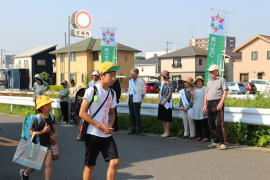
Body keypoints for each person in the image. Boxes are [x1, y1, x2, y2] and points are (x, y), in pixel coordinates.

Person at [79, 62, 120, 180]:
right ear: (101, 75)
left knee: (115, 161)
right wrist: (99, 126)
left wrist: (109, 126)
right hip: (92, 133)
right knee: (90, 166)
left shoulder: (112, 93)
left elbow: (112, 113)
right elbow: (82, 113)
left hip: (106, 134)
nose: (113, 78)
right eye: (110, 75)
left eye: (114, 75)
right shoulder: (92, 90)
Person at [20, 96, 57, 180]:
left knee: (48, 164)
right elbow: (31, 133)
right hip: (37, 144)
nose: (51, 106)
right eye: (48, 104)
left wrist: (54, 135)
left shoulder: (51, 117)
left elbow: (54, 129)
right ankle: (25, 173)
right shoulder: (36, 118)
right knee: (36, 164)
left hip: (47, 144)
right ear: (43, 107)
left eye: (50, 104)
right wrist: (43, 132)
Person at [203, 64, 229, 150]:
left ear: (217, 71)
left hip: (218, 102)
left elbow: (225, 91)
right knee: (211, 124)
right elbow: (206, 93)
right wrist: (205, 105)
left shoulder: (222, 80)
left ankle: (223, 142)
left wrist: (221, 103)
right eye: (210, 71)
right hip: (209, 103)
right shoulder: (209, 81)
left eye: (212, 71)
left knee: (219, 124)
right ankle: (216, 141)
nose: (210, 73)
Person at [127, 68, 146, 135]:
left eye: (133, 74)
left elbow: (143, 92)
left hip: (137, 99)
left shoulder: (141, 81)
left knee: (137, 115)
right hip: (130, 98)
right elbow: (129, 90)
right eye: (131, 74)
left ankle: (138, 129)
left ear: (137, 74)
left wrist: (141, 100)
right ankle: (133, 128)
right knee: (131, 114)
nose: (132, 75)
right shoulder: (130, 81)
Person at [157, 70, 174, 137]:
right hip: (161, 102)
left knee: (167, 118)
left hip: (167, 103)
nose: (162, 77)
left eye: (163, 76)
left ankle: (167, 132)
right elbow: (159, 92)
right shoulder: (162, 83)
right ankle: (165, 131)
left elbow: (170, 93)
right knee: (162, 118)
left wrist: (165, 101)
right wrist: (158, 100)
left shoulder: (171, 83)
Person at [192, 76, 209, 142]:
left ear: (202, 82)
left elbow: (207, 99)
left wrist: (206, 107)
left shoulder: (205, 89)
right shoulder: (194, 90)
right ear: (196, 83)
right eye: (197, 81)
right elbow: (192, 100)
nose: (199, 82)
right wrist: (192, 95)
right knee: (197, 123)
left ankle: (205, 137)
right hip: (196, 108)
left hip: (203, 108)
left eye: (200, 81)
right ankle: (199, 136)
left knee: (204, 123)